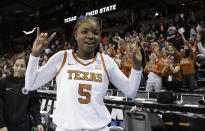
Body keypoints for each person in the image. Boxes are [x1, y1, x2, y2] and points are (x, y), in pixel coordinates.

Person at [25, 16, 142, 131]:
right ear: (76, 35)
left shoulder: (106, 62)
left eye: (95, 33)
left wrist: (136, 66)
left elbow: (130, 91)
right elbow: (31, 85)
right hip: (65, 128)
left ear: (100, 36)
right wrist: (35, 54)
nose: (90, 36)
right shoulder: (62, 57)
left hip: (98, 128)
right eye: (84, 32)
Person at [0, 54, 43, 131]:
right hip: (5, 127)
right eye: (17, 65)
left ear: (26, 68)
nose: (19, 69)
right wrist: (1, 124)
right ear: (13, 66)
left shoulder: (29, 84)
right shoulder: (4, 82)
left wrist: (38, 122)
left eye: (22, 66)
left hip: (24, 127)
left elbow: (34, 105)